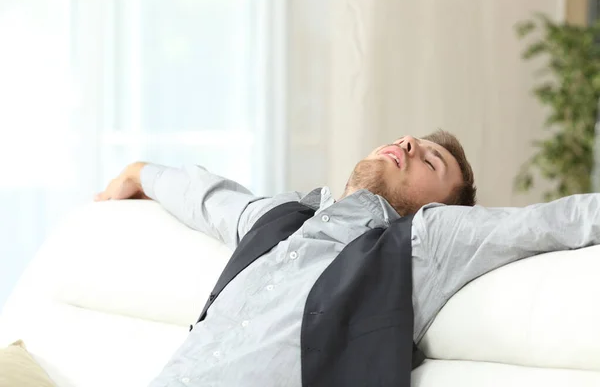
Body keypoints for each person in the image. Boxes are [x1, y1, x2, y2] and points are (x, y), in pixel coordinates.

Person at [96, 130, 600, 387]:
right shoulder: (284, 219)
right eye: (410, 138)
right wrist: (140, 172)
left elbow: (554, 221)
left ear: (437, 207)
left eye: (429, 159)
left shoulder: (425, 241)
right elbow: (212, 199)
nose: (408, 143)